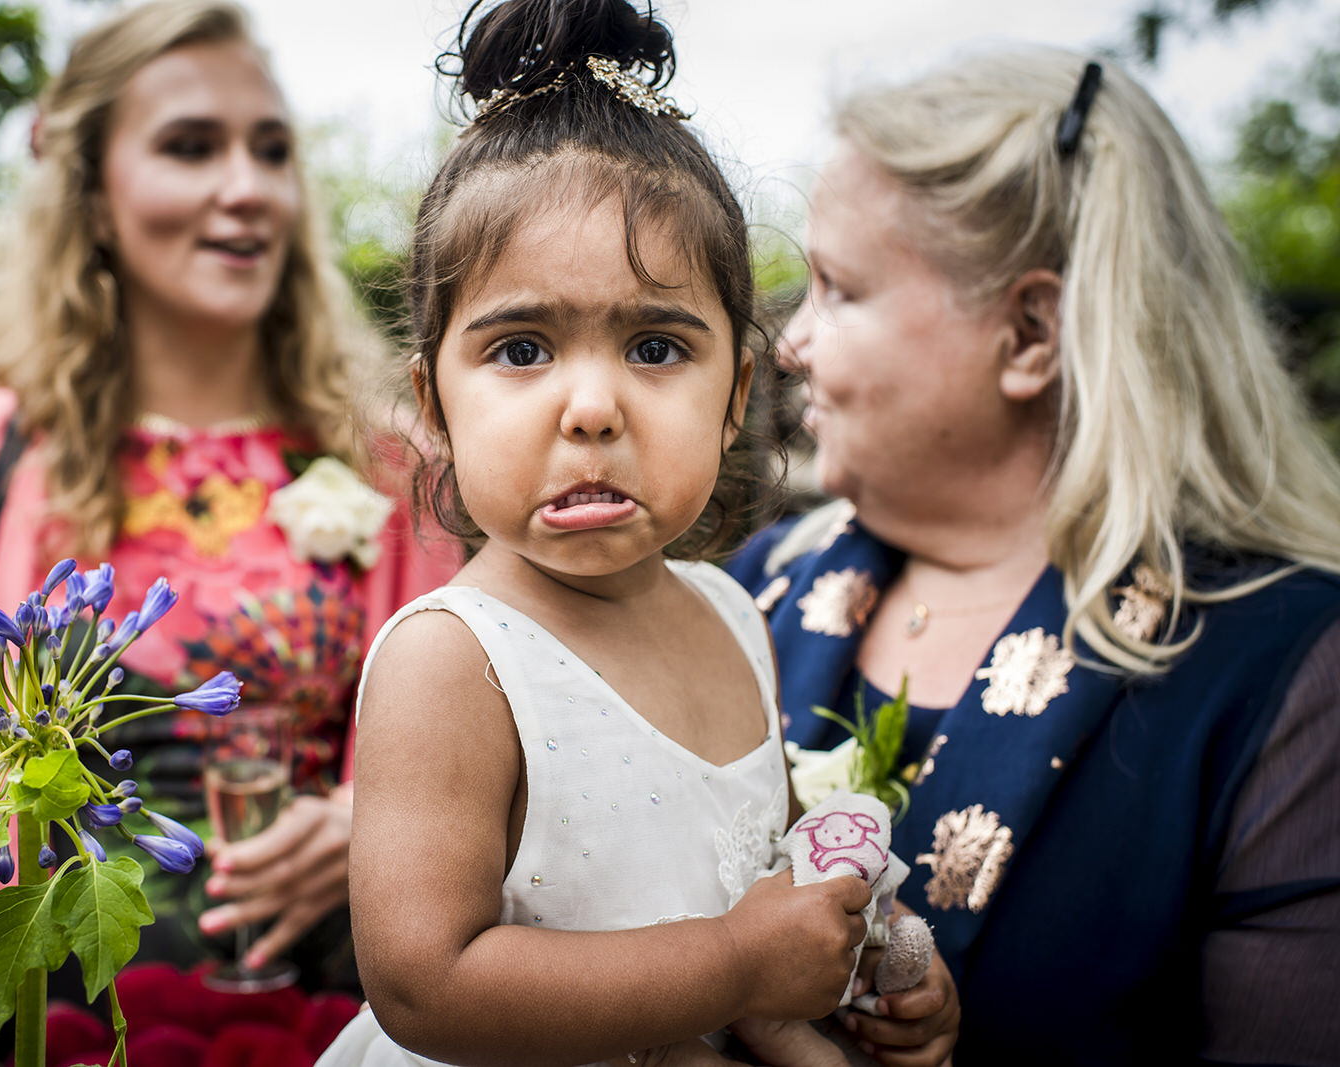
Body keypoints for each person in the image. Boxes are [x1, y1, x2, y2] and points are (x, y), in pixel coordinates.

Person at [317, 3, 956, 1065]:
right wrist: (736, 961)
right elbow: (425, 984)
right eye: (521, 349)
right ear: (435, 407)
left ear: (733, 392)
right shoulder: (454, 661)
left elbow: (764, 903)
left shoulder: (728, 611)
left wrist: (861, 973)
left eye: (656, 347)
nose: (591, 407)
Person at [0, 0, 457, 998]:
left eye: (271, 149)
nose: (246, 188)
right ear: (91, 196)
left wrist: (365, 822)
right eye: (191, 147)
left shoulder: (397, 461)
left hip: (309, 1014)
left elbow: (468, 764)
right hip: (23, 1012)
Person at [728, 48, 1340, 1064]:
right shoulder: (758, 584)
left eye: (837, 289)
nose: (793, 342)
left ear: (1027, 332)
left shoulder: (1288, 677)